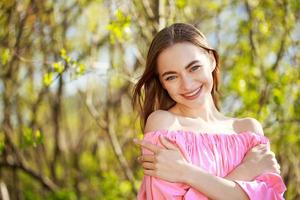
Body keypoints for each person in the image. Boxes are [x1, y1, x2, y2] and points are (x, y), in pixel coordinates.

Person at [132, 23, 286, 200]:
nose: (187, 85)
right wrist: (247, 170)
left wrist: (186, 172)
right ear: (162, 82)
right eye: (171, 77)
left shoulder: (248, 131)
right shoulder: (165, 125)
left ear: (211, 60)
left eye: (194, 67)